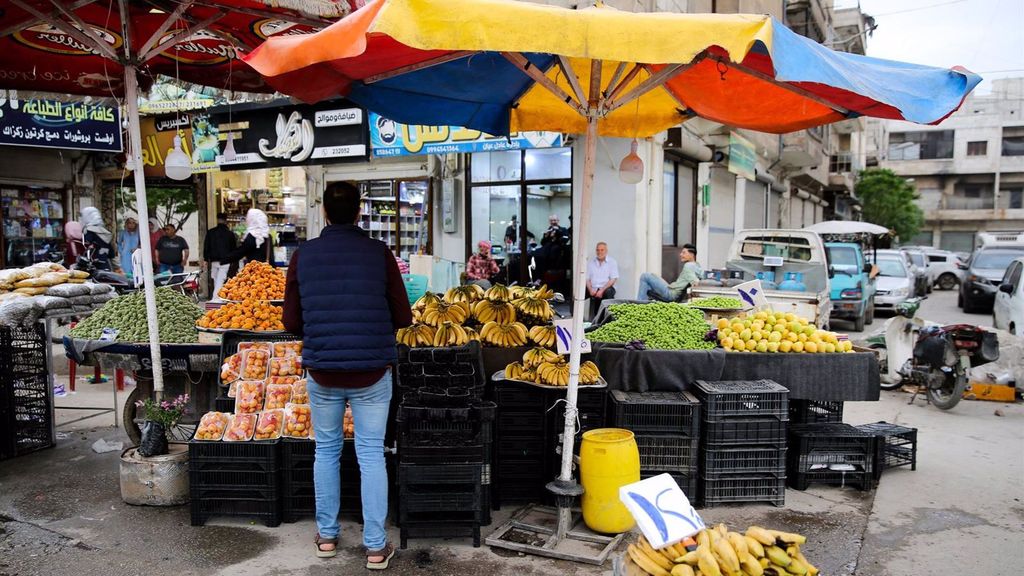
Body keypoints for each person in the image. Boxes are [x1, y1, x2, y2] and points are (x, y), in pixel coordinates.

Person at [282, 181, 411, 569]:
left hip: (322, 371)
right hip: (372, 371)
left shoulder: (302, 256)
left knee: (327, 450)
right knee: (371, 453)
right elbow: (404, 317)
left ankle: (326, 536)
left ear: (324, 212)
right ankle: (374, 547)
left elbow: (290, 320)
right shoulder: (379, 254)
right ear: (359, 212)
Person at [637, 244, 703, 302]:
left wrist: (694, 294)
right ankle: (643, 304)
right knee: (652, 278)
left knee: (645, 276)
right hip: (672, 290)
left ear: (691, 255)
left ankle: (639, 305)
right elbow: (701, 278)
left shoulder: (688, 266)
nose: (680, 255)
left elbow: (695, 281)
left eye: (684, 253)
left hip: (671, 294)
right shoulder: (697, 266)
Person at [203, 212, 237, 298]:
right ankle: (217, 298)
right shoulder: (230, 234)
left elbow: (206, 246)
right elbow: (233, 249)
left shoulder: (210, 232)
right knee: (220, 280)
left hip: (214, 260)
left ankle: (216, 298)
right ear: (226, 221)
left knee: (215, 279)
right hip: (225, 261)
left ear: (217, 220)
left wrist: (206, 259)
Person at [587, 241, 619, 318]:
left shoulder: (612, 262)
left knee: (608, 292)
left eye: (602, 250)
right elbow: (587, 279)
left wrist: (601, 290)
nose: (599, 252)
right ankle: (576, 316)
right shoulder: (591, 263)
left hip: (606, 288)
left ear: (606, 251)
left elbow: (613, 279)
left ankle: (609, 317)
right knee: (578, 292)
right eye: (598, 250)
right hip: (593, 288)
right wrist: (590, 289)